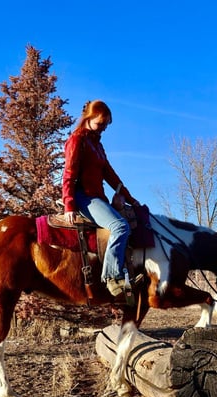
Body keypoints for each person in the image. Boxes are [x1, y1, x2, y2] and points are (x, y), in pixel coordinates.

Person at [61, 100, 139, 297]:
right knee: (120, 226)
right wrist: (69, 204)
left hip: (98, 197)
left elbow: (110, 175)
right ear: (88, 118)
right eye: (100, 123)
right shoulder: (77, 140)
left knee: (129, 223)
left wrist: (130, 199)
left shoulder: (97, 145)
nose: (103, 128)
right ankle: (112, 277)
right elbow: (69, 173)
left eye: (106, 125)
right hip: (84, 197)